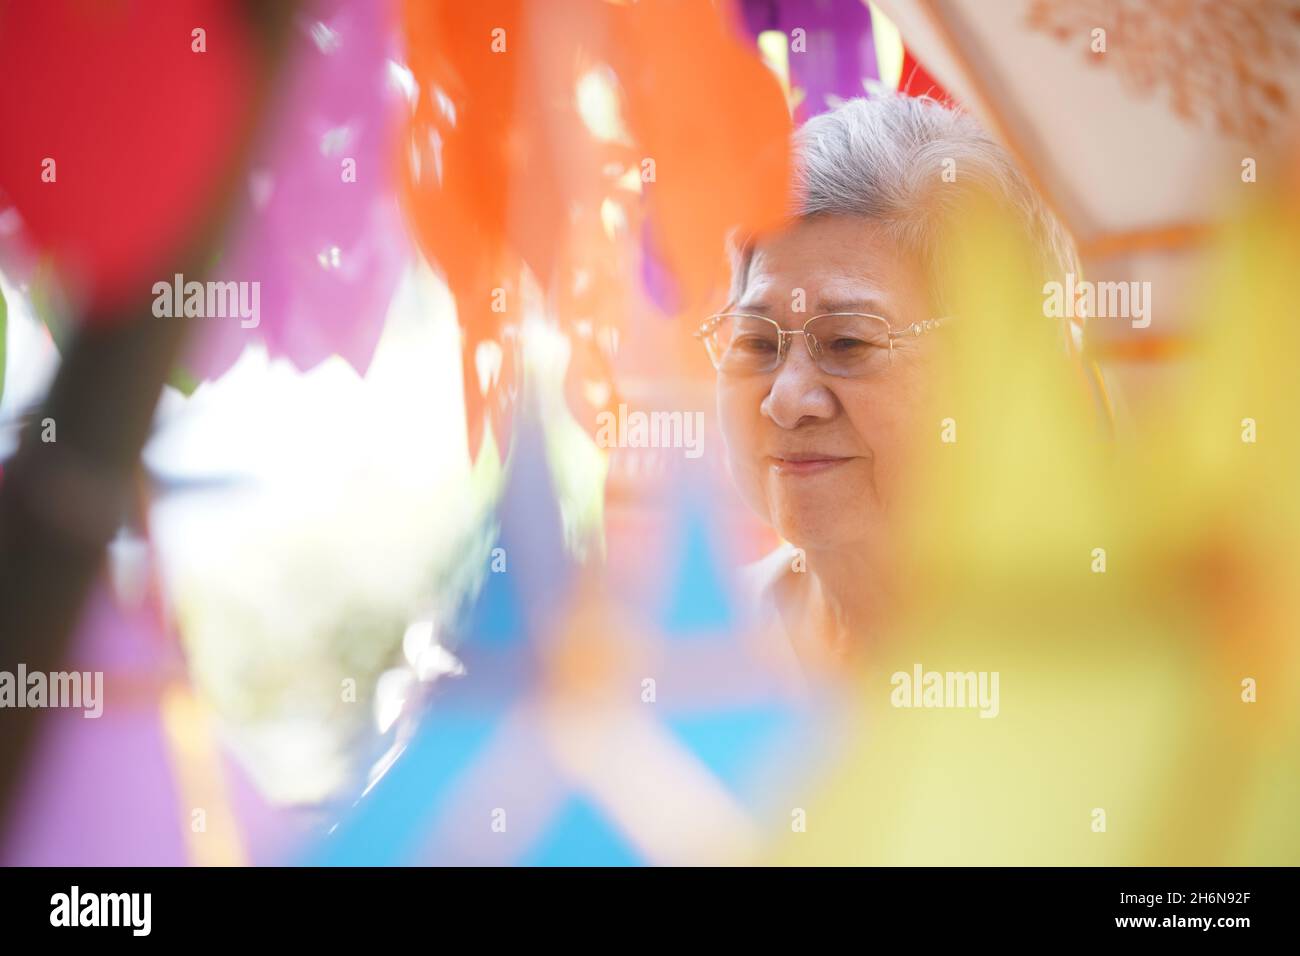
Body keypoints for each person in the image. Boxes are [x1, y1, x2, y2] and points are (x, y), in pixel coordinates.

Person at [698, 94, 1090, 679]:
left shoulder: (1098, 671)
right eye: (756, 342)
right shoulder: (694, 654)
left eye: (849, 343)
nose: (785, 400)